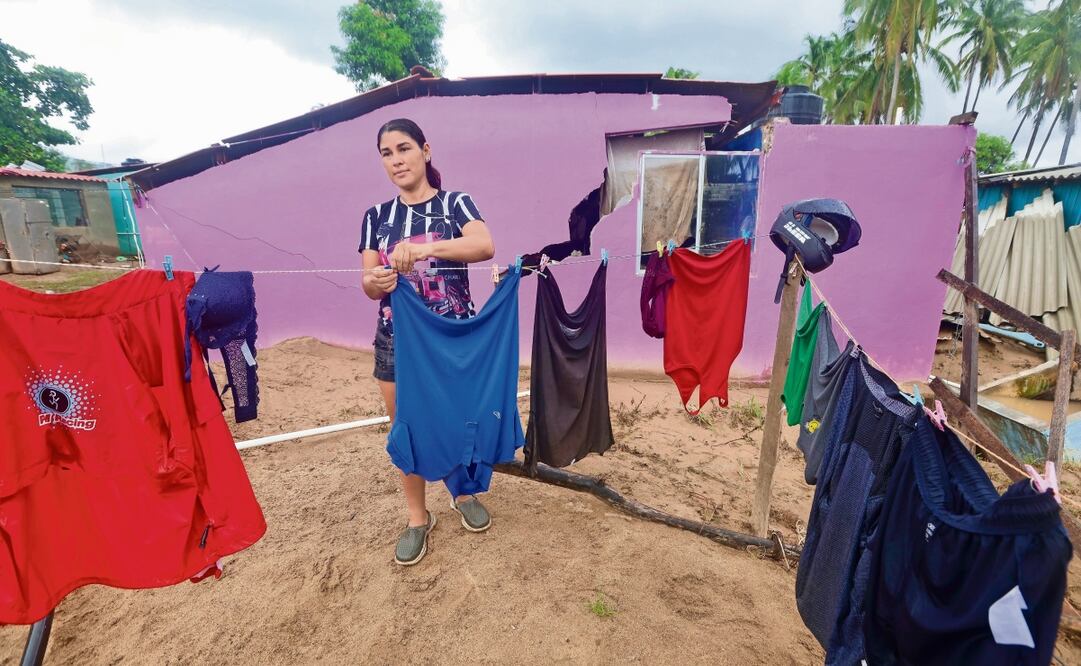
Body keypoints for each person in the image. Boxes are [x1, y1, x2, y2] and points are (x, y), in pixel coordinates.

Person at [358, 118, 496, 566]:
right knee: (407, 429)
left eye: (403, 149)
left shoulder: (455, 204)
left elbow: (483, 245)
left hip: (453, 336)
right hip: (396, 341)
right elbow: (367, 284)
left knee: (461, 419)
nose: (396, 160)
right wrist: (378, 280)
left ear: (426, 150)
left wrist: (422, 250)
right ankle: (418, 518)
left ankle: (463, 493)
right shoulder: (376, 218)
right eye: (386, 153)